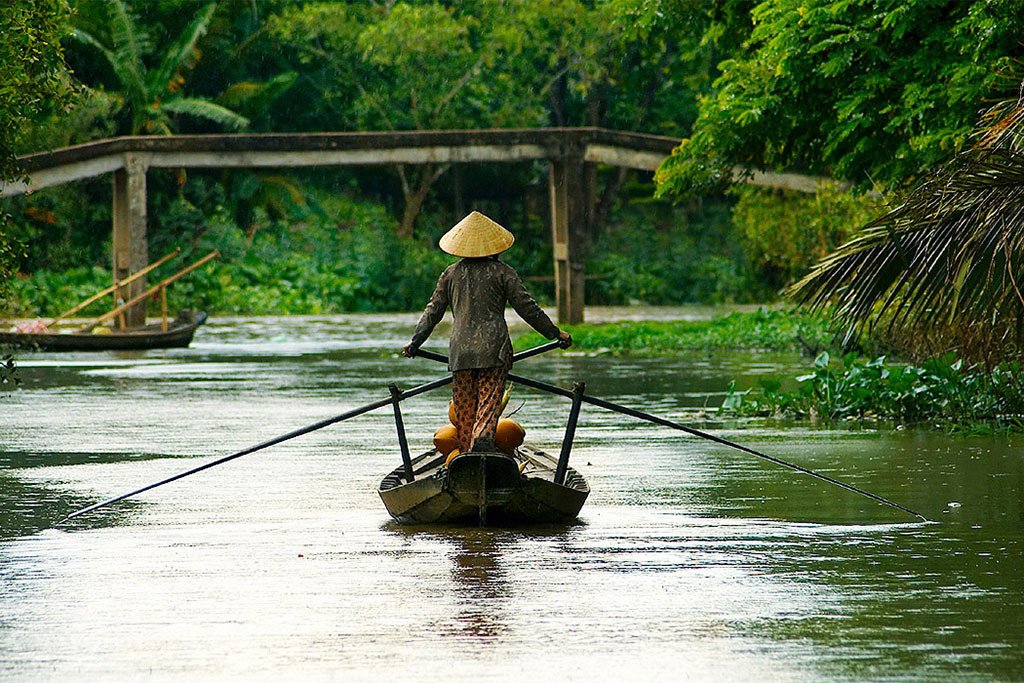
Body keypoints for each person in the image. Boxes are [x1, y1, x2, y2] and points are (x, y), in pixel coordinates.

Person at [403, 211, 571, 454]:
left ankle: (466, 453)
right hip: (494, 351)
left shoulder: (450, 274)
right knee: (488, 404)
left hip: (460, 353)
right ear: (496, 247)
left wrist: (415, 343)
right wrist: (555, 333)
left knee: (464, 410)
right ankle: (482, 442)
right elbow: (527, 308)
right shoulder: (503, 272)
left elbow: (433, 312)